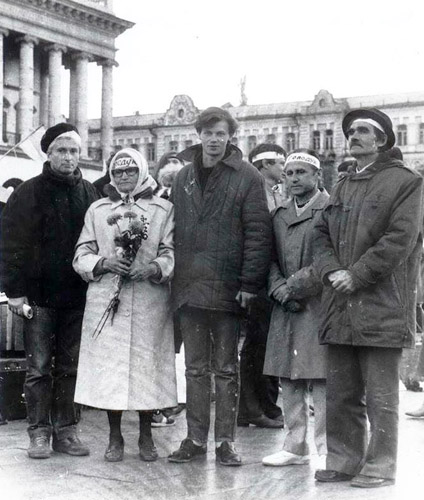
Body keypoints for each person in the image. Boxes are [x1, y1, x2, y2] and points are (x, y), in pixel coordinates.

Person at [313, 108, 424, 488]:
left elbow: (400, 240)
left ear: (382, 140)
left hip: (382, 304)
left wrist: (355, 275)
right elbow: (320, 234)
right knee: (341, 392)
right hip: (339, 303)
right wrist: (331, 271)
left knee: (381, 395)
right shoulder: (342, 184)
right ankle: (344, 460)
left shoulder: (406, 182)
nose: (354, 136)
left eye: (364, 131)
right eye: (351, 131)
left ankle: (380, 465)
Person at [168, 107, 272, 466]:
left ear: (231, 137)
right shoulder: (183, 177)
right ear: (198, 135)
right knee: (195, 368)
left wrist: (248, 283)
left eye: (221, 133)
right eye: (208, 132)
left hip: (228, 288)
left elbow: (258, 233)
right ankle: (195, 438)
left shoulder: (248, 176)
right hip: (189, 288)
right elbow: (174, 229)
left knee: (226, 369)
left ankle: (225, 442)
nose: (214, 139)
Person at [0, 123, 98, 459]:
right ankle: (39, 433)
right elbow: (9, 244)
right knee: (39, 367)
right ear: (49, 153)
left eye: (73, 150)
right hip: (38, 298)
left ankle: (66, 432)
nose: (68, 157)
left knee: (70, 367)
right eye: (61, 150)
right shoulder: (27, 192)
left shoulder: (90, 194)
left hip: (77, 297)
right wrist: (14, 292)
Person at [73, 148, 177, 462]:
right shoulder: (98, 209)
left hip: (149, 298)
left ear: (142, 171)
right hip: (108, 297)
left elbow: (171, 251)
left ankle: (146, 436)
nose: (124, 177)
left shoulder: (162, 209)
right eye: (118, 172)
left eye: (130, 171)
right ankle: (115, 436)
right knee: (111, 369)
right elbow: (81, 253)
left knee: (148, 368)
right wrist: (103, 263)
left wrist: (154, 268)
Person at [261, 149, 328, 466]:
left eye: (302, 172)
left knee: (323, 378)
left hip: (320, 304)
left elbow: (328, 259)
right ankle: (295, 446)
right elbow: (269, 258)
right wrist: (278, 289)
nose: (295, 178)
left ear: (317, 176)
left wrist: (296, 287)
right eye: (289, 173)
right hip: (285, 306)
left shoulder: (329, 210)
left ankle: (328, 448)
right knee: (288, 377)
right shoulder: (279, 214)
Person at [236, 143, 286, 429]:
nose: (283, 168)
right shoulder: (255, 193)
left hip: (270, 278)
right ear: (264, 165)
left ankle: (265, 404)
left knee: (266, 343)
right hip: (258, 279)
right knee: (256, 345)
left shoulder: (275, 192)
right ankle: (251, 408)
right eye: (279, 163)